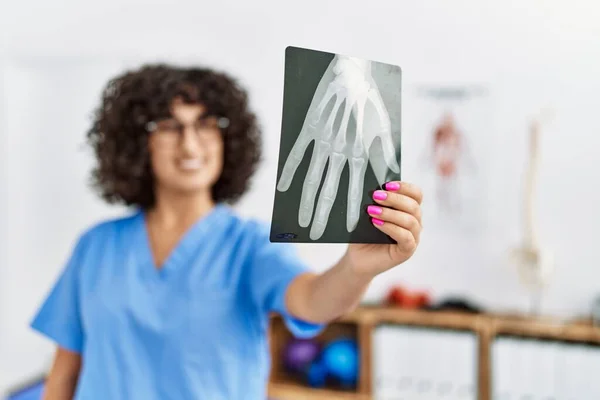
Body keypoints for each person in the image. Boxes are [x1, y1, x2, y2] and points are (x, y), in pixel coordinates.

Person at [30, 64, 423, 400]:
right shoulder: (97, 246)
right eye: (169, 126)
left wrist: (357, 268)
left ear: (227, 139)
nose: (190, 144)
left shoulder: (248, 246)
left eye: (206, 125)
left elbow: (311, 300)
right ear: (139, 142)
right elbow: (64, 373)